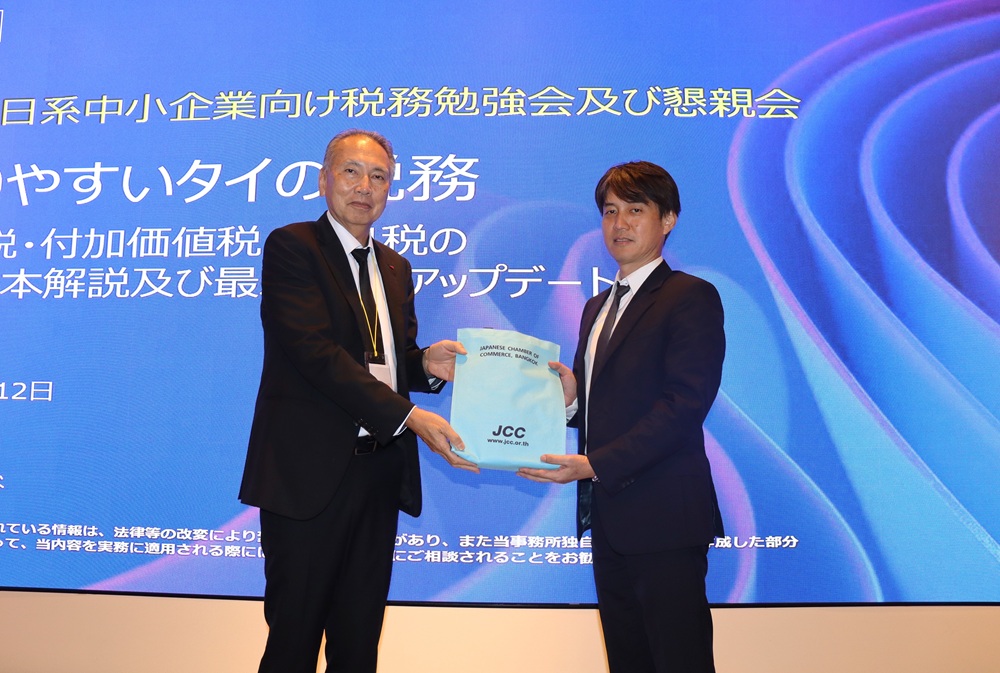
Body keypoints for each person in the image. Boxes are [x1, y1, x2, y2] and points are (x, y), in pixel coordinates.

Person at [239, 128, 478, 673]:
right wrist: (410, 416)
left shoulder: (395, 267)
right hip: (308, 479)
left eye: (379, 176)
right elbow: (316, 354)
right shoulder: (293, 247)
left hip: (377, 476)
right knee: (293, 643)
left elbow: (383, 361)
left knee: (358, 646)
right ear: (324, 179)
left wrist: (426, 364)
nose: (364, 186)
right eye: (351, 171)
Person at [518, 160, 726, 672]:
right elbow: (607, 403)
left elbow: (684, 405)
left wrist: (596, 464)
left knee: (679, 660)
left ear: (668, 219)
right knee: (627, 660)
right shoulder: (596, 307)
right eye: (610, 212)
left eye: (636, 210)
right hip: (610, 518)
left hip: (666, 517)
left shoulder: (690, 297)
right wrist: (572, 400)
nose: (620, 224)